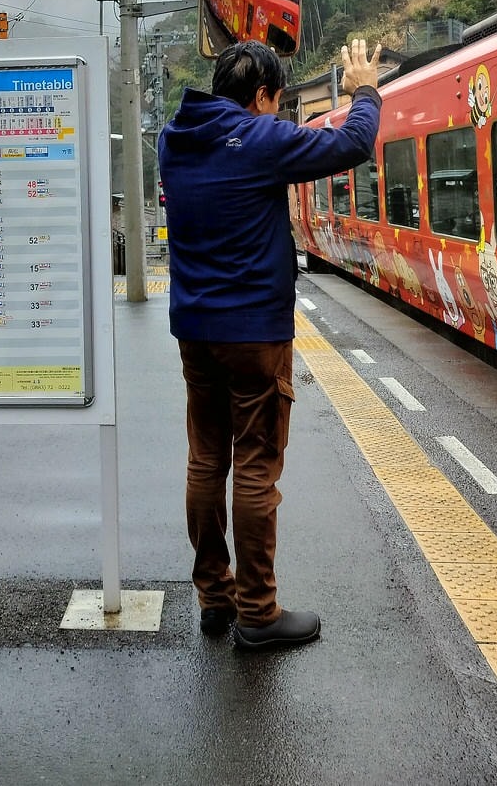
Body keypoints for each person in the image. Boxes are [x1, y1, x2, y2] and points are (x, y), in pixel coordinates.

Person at [157, 37, 382, 650]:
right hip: (255, 331)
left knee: (206, 459)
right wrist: (364, 89)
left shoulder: (173, 138)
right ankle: (257, 612)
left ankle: (215, 597)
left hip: (195, 330)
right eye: (277, 102)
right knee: (256, 465)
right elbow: (353, 143)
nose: (277, 113)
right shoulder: (258, 138)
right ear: (261, 96)